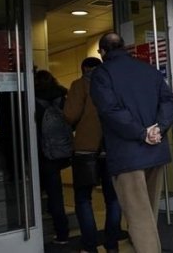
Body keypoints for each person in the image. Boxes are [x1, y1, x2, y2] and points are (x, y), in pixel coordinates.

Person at [90, 32, 173, 253]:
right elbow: (169, 101)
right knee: (149, 212)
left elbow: (110, 111)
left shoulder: (101, 74)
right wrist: (159, 128)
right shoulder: (149, 70)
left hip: (128, 156)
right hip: (155, 152)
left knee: (139, 218)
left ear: (102, 51)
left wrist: (141, 133)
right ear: (124, 47)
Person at [64, 57, 122, 253]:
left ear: (84, 69)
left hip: (85, 149)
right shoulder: (114, 84)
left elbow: (71, 115)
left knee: (83, 199)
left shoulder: (80, 85)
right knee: (113, 199)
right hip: (112, 147)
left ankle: (90, 246)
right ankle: (112, 245)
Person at [34, 70, 70, 245]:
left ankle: (50, 228)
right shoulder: (62, 96)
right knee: (56, 192)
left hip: (42, 154)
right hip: (61, 152)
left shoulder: (32, 100)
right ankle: (62, 233)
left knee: (50, 192)